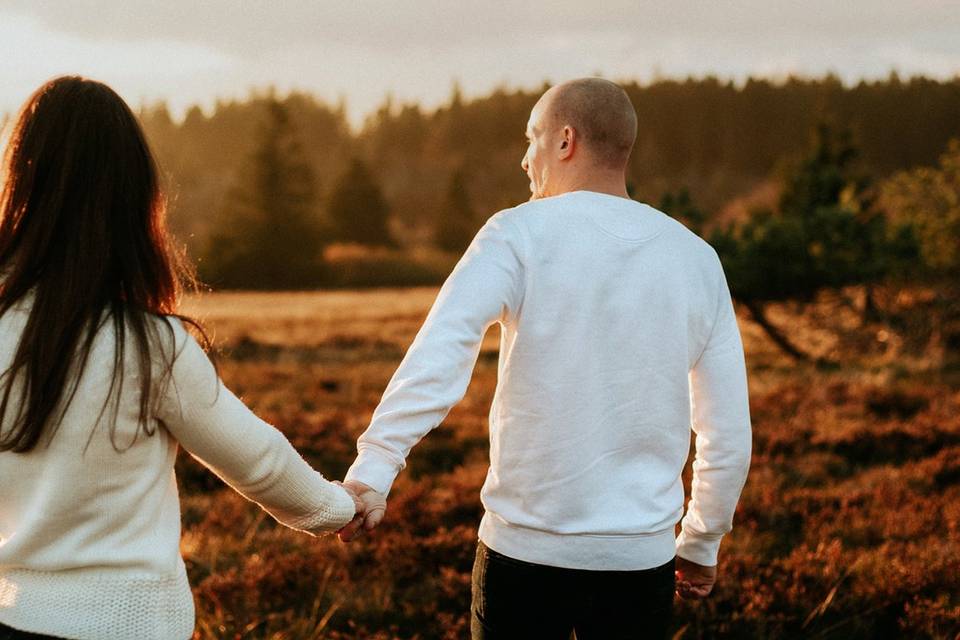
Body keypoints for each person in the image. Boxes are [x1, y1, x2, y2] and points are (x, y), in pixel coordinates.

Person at [339, 78, 753, 638]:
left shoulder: (516, 234)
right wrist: (702, 540)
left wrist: (375, 467)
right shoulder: (696, 258)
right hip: (639, 565)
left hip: (522, 559)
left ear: (565, 141)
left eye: (532, 138)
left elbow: (442, 349)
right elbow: (726, 427)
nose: (523, 158)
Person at [0, 76, 362, 640]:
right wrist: (340, 509)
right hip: (131, 625)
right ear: (131, 201)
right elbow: (259, 461)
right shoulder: (150, 346)